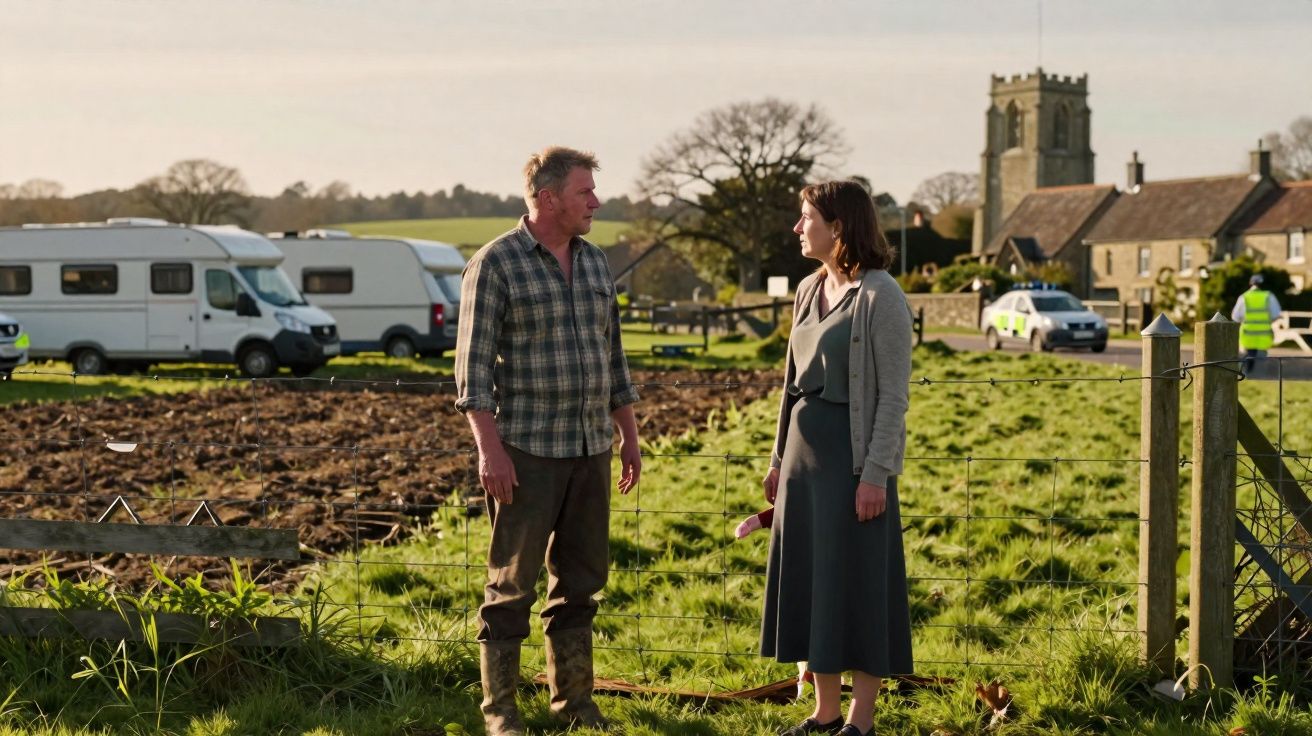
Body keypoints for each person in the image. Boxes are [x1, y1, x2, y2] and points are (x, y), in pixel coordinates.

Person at [455, 146, 642, 736]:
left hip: (590, 449)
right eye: (585, 192)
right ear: (548, 197)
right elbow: (472, 371)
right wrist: (490, 450)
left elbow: (614, 358)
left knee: (581, 585)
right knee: (511, 587)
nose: (596, 201)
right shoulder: (496, 265)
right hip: (526, 454)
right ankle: (501, 713)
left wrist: (628, 436)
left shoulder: (594, 263)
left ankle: (575, 707)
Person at [760, 180, 914, 736]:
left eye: (806, 218)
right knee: (813, 583)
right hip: (803, 465)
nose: (798, 228)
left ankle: (861, 721)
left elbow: (894, 396)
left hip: (853, 468)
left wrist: (875, 474)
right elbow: (790, 386)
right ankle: (824, 714)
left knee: (858, 587)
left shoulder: (882, 296)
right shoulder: (807, 290)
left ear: (839, 227)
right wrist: (778, 459)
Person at [1231, 273, 1281, 375]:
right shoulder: (1269, 296)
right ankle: (1258, 376)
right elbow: (1276, 315)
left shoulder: (1244, 297)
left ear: (1250, 284)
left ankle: (1246, 374)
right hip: (1264, 335)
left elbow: (1235, 317)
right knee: (1261, 360)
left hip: (1248, 334)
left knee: (1247, 357)